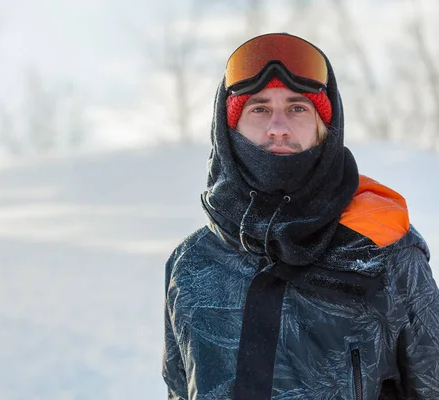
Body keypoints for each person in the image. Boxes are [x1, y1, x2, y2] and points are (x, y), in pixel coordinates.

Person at [162, 32, 439, 400]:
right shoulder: (191, 263)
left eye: (297, 107)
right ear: (229, 129)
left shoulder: (384, 249)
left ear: (326, 129)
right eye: (259, 108)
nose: (278, 126)